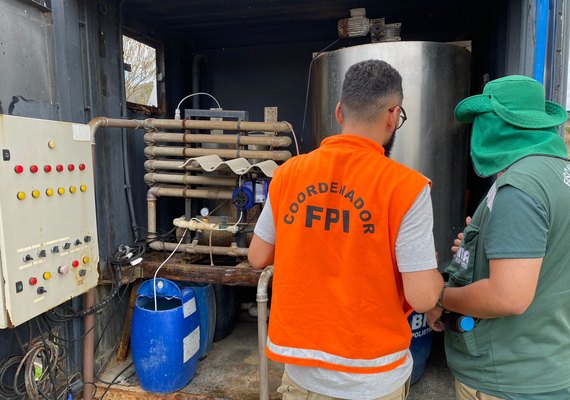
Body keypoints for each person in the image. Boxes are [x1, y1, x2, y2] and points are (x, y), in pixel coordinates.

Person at [248, 59, 443, 400]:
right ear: (393, 115)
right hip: (375, 379)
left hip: (303, 376)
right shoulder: (408, 188)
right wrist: (432, 272)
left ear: (339, 112)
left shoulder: (288, 174)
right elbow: (423, 297)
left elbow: (257, 256)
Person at [427, 75, 570, 400]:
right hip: (546, 363)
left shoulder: (520, 188)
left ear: (501, 123)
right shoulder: (557, 174)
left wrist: (438, 297)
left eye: (482, 120)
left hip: (506, 380)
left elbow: (509, 297)